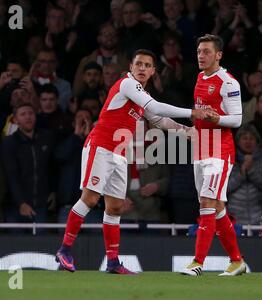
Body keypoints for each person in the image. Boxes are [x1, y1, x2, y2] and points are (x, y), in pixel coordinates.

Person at [55, 49, 213, 274]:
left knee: (115, 207)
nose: (141, 68)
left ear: (153, 71)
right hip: (100, 147)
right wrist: (192, 112)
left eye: (147, 65)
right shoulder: (126, 84)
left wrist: (187, 131)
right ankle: (65, 250)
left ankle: (112, 262)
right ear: (130, 67)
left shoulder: (141, 97)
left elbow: (159, 120)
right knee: (89, 199)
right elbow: (156, 108)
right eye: (138, 63)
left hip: (119, 153)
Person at [181, 34, 247, 277]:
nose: (201, 55)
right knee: (216, 207)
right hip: (200, 149)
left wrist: (215, 118)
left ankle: (197, 262)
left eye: (207, 51)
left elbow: (237, 119)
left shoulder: (228, 82)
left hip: (220, 152)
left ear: (218, 55)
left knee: (208, 203)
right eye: (199, 51)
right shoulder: (199, 78)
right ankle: (237, 261)